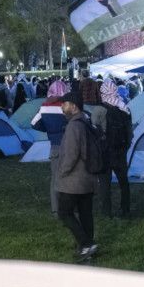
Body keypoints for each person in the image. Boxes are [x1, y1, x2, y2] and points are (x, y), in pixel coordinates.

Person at [55, 93, 99, 261]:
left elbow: (72, 154)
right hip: (88, 178)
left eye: (64, 104)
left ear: (74, 106)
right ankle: (88, 247)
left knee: (64, 212)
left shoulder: (74, 126)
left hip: (74, 180)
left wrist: (62, 172)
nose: (62, 107)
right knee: (85, 213)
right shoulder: (85, 122)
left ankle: (86, 244)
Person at [33, 79, 70, 215]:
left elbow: (34, 123)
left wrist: (49, 129)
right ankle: (70, 207)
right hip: (70, 145)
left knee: (55, 178)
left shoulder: (44, 107)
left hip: (54, 145)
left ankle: (55, 209)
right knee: (71, 176)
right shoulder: (67, 105)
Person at [98, 79, 131, 218]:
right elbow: (129, 132)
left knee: (105, 184)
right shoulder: (125, 108)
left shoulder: (100, 109)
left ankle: (107, 212)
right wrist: (125, 147)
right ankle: (125, 209)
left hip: (104, 152)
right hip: (120, 151)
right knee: (124, 182)